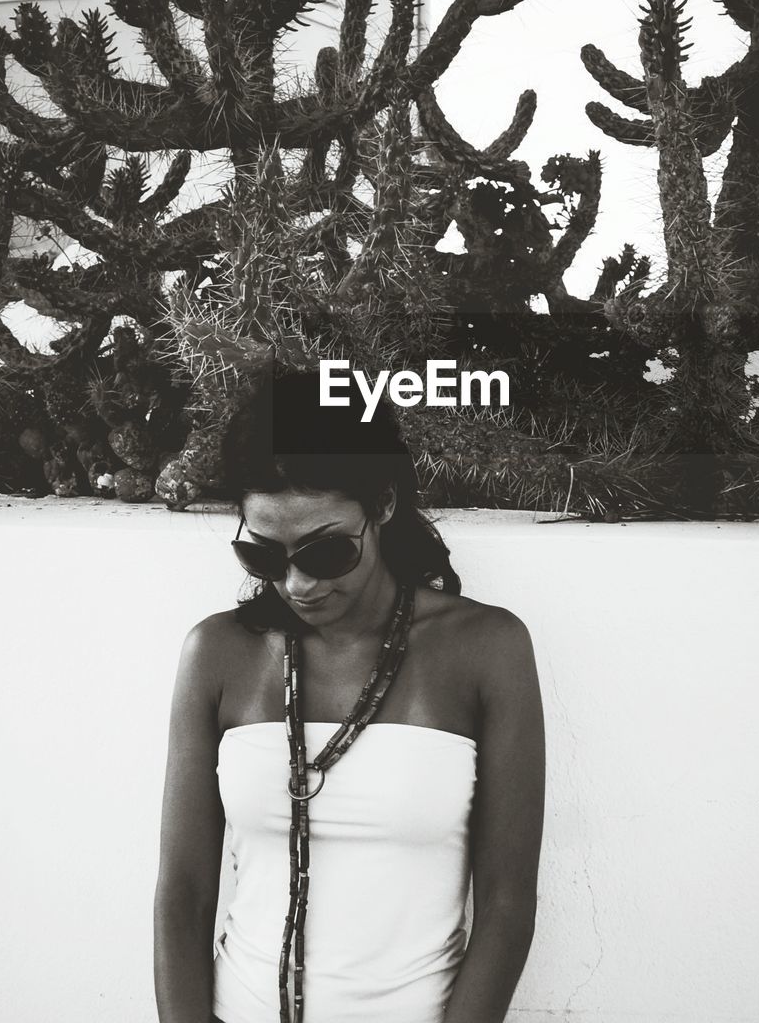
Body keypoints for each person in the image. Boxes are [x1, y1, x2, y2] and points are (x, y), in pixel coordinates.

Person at [153, 368, 545, 1023]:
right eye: (265, 558)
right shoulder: (218, 654)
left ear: (383, 505)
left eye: (327, 552)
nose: (299, 585)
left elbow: (506, 905)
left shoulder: (486, 649)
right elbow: (183, 895)